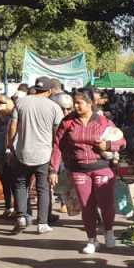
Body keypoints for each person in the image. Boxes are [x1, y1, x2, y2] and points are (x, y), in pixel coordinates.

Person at [50, 89, 125, 254]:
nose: (75, 106)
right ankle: (92, 240)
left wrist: (108, 146)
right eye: (74, 103)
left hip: (102, 168)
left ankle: (109, 231)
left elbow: (121, 141)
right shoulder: (67, 122)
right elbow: (57, 146)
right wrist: (53, 170)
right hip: (79, 171)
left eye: (79, 103)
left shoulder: (104, 121)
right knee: (86, 206)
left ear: (90, 103)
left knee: (106, 204)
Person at [7, 77, 64, 235]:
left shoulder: (20, 102)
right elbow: (58, 133)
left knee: (20, 185)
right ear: (50, 91)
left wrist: (11, 144)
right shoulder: (54, 107)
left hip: (22, 152)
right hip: (44, 154)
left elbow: (13, 126)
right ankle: (42, 223)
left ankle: (21, 217)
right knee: (43, 189)